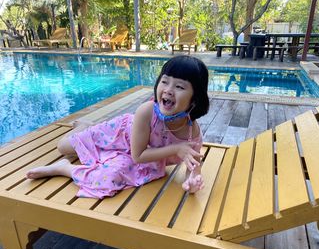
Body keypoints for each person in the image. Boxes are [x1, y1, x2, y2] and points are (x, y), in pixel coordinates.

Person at [26, 55, 210, 199]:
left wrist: (192, 182)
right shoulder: (146, 112)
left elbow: (194, 168)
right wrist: (176, 148)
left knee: (109, 178)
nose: (168, 89)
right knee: (63, 147)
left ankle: (63, 168)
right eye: (164, 81)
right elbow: (139, 155)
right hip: (117, 134)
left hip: (131, 155)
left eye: (179, 86)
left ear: (195, 98)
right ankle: (83, 127)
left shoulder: (191, 135)